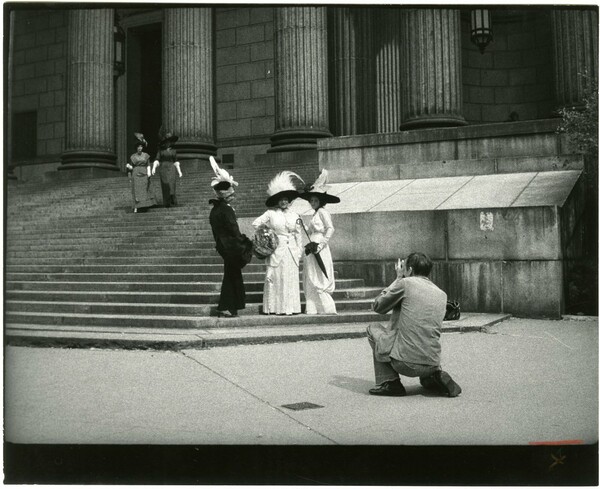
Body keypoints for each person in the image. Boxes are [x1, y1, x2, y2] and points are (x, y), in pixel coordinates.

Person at [366, 252, 462, 397]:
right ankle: (432, 377)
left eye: (403, 267)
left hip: (405, 363)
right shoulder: (441, 294)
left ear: (409, 270)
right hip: (432, 362)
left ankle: (390, 382)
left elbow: (378, 306)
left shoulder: (405, 283)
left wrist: (398, 278)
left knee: (373, 328)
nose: (402, 270)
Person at [252, 171, 304, 315]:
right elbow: (256, 224)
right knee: (277, 277)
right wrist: (268, 235)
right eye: (280, 199)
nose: (283, 202)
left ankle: (291, 308)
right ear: (277, 200)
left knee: (289, 278)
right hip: (276, 249)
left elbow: (298, 234)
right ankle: (275, 308)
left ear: (289, 200)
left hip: (292, 250)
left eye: (286, 199)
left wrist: (299, 251)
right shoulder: (271, 213)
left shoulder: (295, 215)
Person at [208, 157, 252, 318]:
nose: (233, 196)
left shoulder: (217, 209)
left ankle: (230, 305)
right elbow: (233, 229)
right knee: (232, 275)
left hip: (224, 246)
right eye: (231, 194)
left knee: (231, 274)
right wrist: (243, 243)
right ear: (226, 196)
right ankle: (228, 305)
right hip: (231, 247)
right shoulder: (225, 210)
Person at [299, 169, 340, 314]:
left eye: (315, 200)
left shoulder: (323, 212)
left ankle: (326, 307)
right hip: (312, 245)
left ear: (320, 201)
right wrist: (303, 226)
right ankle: (313, 306)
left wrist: (321, 244)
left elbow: (330, 229)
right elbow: (310, 231)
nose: (313, 203)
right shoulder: (315, 214)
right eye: (311, 201)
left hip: (319, 246)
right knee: (311, 273)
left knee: (319, 274)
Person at [126, 133, 156, 213]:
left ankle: (144, 205)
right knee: (136, 190)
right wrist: (129, 169)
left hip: (144, 173)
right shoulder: (133, 156)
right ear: (136, 148)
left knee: (143, 190)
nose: (139, 148)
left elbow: (148, 164)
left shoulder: (146, 155)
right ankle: (136, 206)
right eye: (138, 147)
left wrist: (149, 172)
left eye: (141, 146)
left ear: (142, 147)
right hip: (136, 174)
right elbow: (131, 167)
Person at [152, 131, 182, 208]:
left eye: (170, 141)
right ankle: (166, 202)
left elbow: (176, 161)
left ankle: (172, 199)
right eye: (167, 141)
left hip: (171, 168)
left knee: (172, 184)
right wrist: (154, 168)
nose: (168, 143)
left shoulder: (174, 151)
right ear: (165, 142)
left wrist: (179, 171)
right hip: (163, 168)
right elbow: (157, 159)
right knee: (165, 185)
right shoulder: (161, 151)